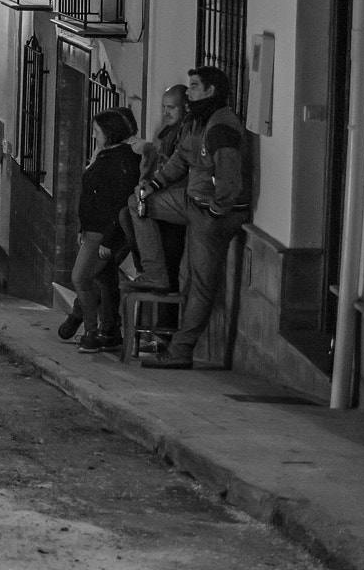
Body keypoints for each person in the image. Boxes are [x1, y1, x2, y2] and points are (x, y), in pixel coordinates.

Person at [139, 66, 252, 370]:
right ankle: (155, 272)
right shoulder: (196, 121)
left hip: (209, 212)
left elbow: (229, 179)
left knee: (200, 284)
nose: (187, 92)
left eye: (193, 87)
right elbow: (181, 159)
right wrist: (153, 185)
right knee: (137, 205)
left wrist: (215, 210)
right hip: (190, 201)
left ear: (211, 91)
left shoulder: (221, 127)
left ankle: (181, 350)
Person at [69, 109, 140, 354]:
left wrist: (109, 238)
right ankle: (104, 330)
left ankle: (91, 331)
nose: (94, 136)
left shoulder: (123, 160)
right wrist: (82, 228)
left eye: (97, 132)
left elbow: (120, 203)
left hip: (102, 232)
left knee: (80, 278)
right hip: (92, 230)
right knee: (100, 279)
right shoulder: (106, 155)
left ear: (109, 133)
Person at [127, 84, 194, 294]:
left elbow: (179, 167)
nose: (165, 113)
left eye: (171, 108)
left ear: (186, 107)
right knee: (131, 209)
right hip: (168, 193)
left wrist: (153, 186)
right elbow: (165, 166)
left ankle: (153, 272)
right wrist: (150, 183)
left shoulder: (188, 131)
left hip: (182, 199)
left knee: (136, 204)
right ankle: (148, 270)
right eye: (163, 107)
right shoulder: (169, 131)